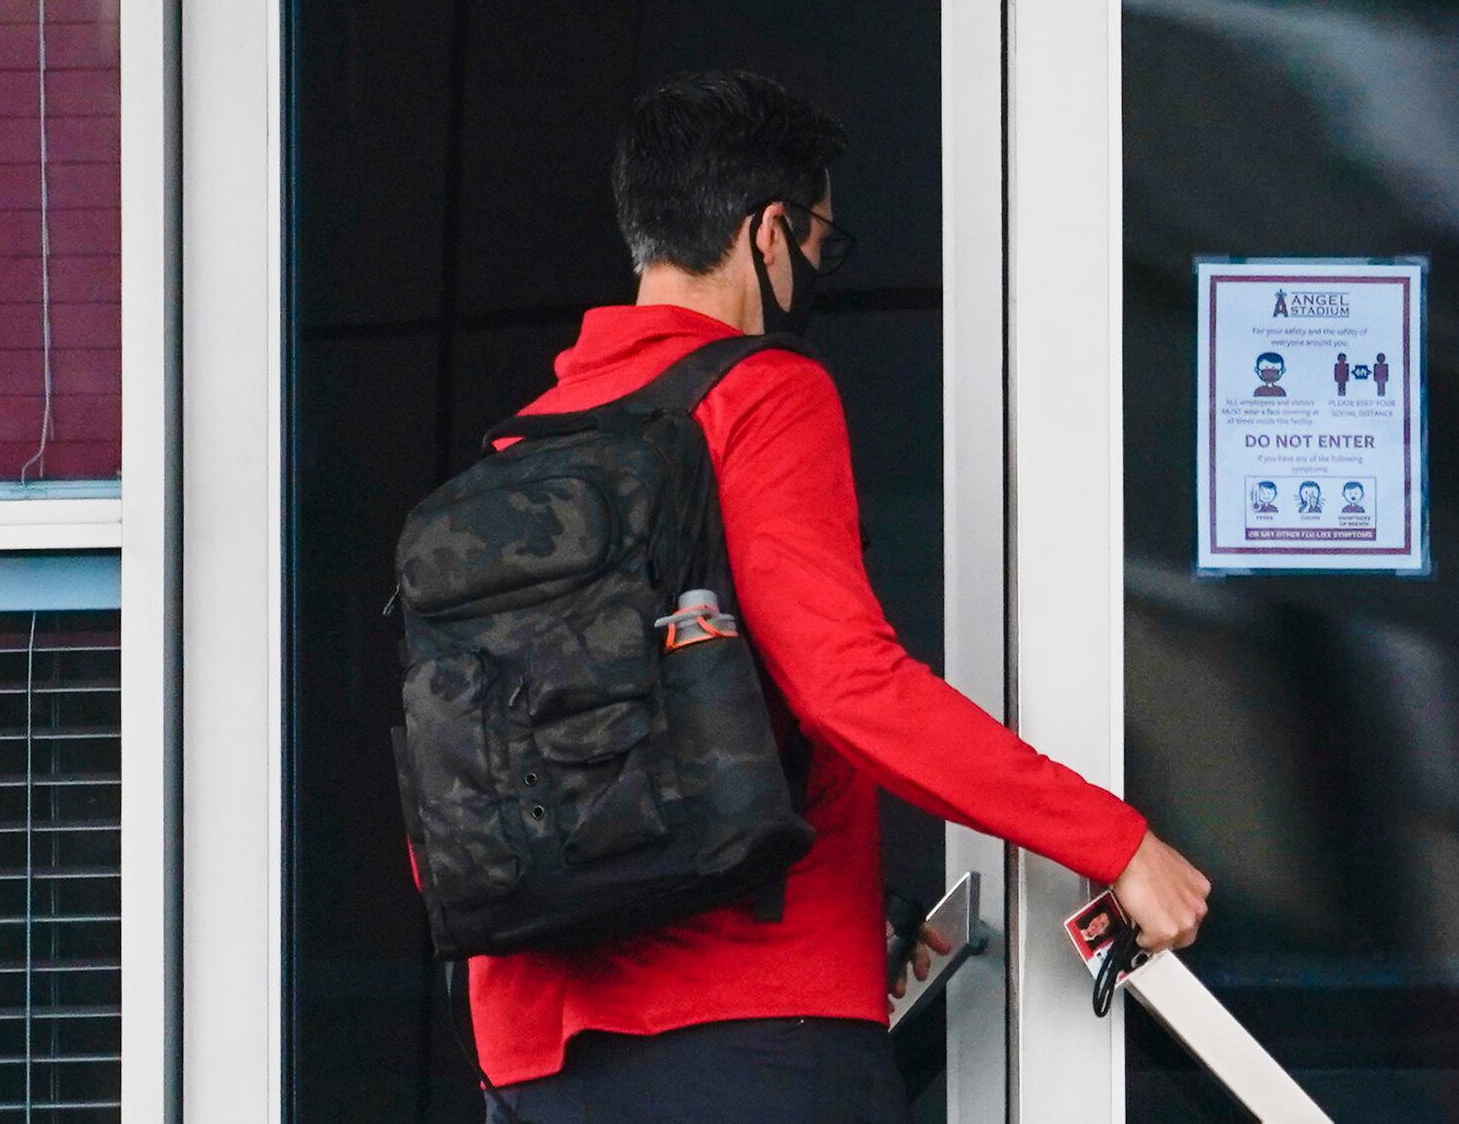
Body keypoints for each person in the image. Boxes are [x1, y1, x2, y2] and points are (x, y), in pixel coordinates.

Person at [472, 71, 1210, 1123]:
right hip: (749, 1035)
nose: (818, 264)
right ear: (765, 232)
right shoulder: (760, 392)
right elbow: (847, 684)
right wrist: (1113, 839)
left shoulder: (518, 442)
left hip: (533, 1048)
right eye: (822, 240)